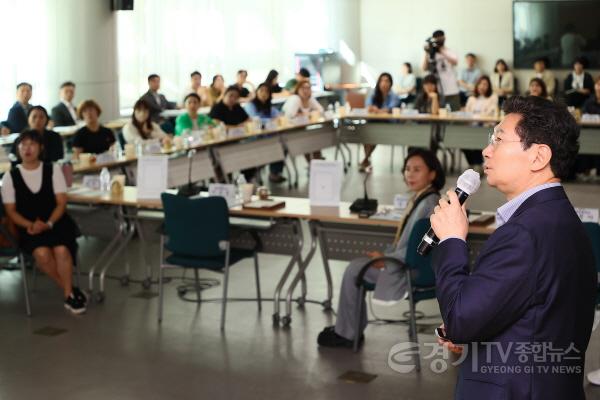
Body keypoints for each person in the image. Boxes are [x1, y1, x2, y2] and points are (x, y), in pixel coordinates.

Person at [430, 95, 596, 399]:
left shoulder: (525, 233)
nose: (486, 150)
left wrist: (453, 239)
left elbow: (461, 319)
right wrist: (473, 318)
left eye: (498, 139)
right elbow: (533, 312)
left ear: (538, 157)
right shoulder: (559, 217)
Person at [317, 149, 444, 348]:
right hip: (411, 266)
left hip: (408, 272)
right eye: (408, 169)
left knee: (354, 269)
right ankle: (350, 329)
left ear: (432, 174)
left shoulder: (427, 204)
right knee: (358, 266)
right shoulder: (425, 199)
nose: (410, 174)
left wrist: (386, 259)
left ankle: (348, 334)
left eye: (417, 169)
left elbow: (418, 248)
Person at [1, 130, 86, 314]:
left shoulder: (52, 169)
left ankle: (68, 294)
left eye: (32, 144)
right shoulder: (10, 176)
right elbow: (11, 211)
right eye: (22, 145)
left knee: (62, 250)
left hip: (56, 222)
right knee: (42, 254)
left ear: (41, 148)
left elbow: (61, 202)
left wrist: (48, 224)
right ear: (17, 149)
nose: (27, 149)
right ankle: (70, 290)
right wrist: (30, 225)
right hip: (28, 227)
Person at [209, 86, 254, 181]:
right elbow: (217, 125)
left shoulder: (237, 107)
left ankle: (246, 180)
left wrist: (239, 126)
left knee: (250, 157)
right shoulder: (217, 108)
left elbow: (249, 120)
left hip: (237, 141)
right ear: (224, 95)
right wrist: (238, 127)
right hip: (222, 144)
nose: (233, 99)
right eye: (230, 96)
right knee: (224, 166)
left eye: (236, 97)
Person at [244, 83, 284, 183]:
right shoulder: (250, 105)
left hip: (269, 138)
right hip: (254, 139)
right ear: (256, 92)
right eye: (261, 90)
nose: (264, 93)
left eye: (267, 91)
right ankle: (254, 173)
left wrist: (273, 120)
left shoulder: (269, 106)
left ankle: (274, 173)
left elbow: (279, 117)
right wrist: (270, 121)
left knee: (282, 145)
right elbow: (255, 120)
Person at [360, 72, 399, 171]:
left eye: (386, 81)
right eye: (382, 80)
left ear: (390, 83)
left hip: (388, 124)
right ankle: (366, 159)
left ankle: (365, 159)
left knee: (374, 133)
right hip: (374, 122)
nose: (384, 83)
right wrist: (375, 109)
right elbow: (368, 106)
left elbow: (390, 109)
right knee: (368, 132)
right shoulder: (374, 94)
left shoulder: (393, 95)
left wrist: (378, 110)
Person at [282, 80, 325, 162]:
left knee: (315, 139)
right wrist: (308, 114)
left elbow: (321, 110)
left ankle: (316, 163)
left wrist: (306, 114)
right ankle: (313, 164)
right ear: (298, 89)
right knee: (308, 141)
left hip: (304, 129)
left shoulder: (310, 99)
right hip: (292, 131)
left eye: (308, 88)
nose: (306, 90)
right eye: (303, 88)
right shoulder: (295, 99)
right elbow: (290, 116)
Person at [463, 76, 498, 169]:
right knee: (460, 139)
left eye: (485, 84)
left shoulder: (493, 97)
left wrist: (476, 115)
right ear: (477, 85)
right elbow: (466, 113)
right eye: (480, 84)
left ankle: (477, 164)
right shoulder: (471, 98)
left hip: (484, 127)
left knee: (476, 136)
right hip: (470, 127)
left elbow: (491, 113)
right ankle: (473, 163)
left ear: (489, 86)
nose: (482, 86)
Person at [421, 30, 460, 111]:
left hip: (451, 89)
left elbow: (455, 61)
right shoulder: (431, 53)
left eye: (440, 38)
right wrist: (426, 52)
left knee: (453, 113)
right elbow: (424, 68)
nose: (438, 40)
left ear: (444, 38)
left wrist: (440, 51)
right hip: (436, 91)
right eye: (436, 39)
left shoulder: (449, 51)